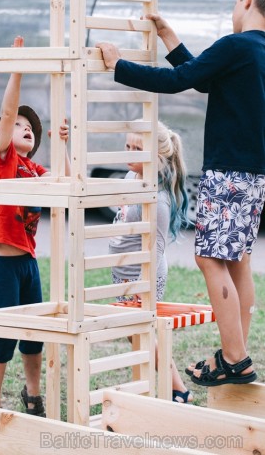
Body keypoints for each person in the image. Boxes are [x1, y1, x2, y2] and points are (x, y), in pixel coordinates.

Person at [97, 0, 265, 388]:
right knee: (237, 261)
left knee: (210, 259)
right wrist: (170, 37)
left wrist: (119, 65)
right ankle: (237, 352)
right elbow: (203, 78)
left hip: (227, 173)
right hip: (254, 176)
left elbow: (178, 82)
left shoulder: (237, 45)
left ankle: (234, 357)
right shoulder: (254, 54)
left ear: (245, 0)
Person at [0, 36, 70, 415]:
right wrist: (17, 67)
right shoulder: (3, 159)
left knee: (34, 336)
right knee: (2, 336)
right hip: (1, 262)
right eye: (18, 124)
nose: (24, 127)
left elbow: (66, 182)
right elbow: (6, 114)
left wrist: (66, 144)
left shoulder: (33, 169)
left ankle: (33, 395)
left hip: (28, 262)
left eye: (30, 127)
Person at [110, 121, 193, 403]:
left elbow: (157, 245)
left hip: (143, 276)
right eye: (127, 146)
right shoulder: (129, 179)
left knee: (142, 333)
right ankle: (169, 388)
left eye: (138, 148)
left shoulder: (157, 197)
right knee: (135, 335)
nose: (130, 153)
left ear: (156, 155)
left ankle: (177, 388)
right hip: (121, 273)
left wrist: (141, 285)